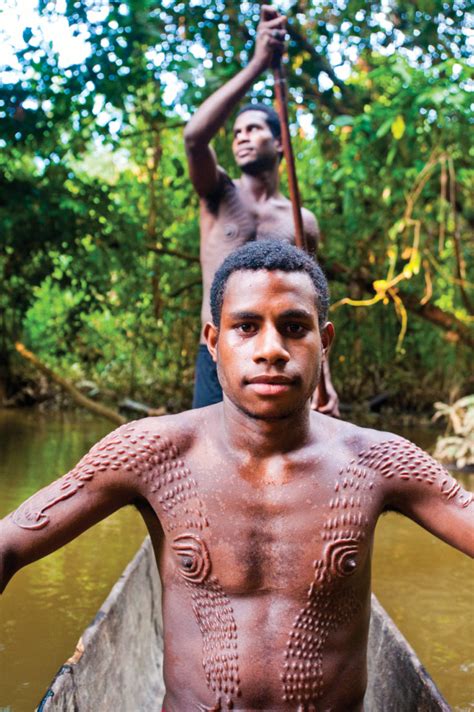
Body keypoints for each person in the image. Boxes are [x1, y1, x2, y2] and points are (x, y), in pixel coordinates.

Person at [1, 241, 472, 711]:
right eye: (246, 327)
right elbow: (10, 543)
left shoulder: (378, 460)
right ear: (213, 341)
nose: (271, 350)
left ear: (323, 342)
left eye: (294, 328)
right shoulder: (151, 452)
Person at [184, 4, 340, 416]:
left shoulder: (300, 221)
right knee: (213, 465)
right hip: (220, 353)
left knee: (283, 467)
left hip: (284, 357)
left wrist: (324, 382)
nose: (242, 138)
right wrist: (257, 64)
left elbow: (314, 303)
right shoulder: (217, 194)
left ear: (281, 143)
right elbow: (195, 138)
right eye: (236, 132)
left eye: (253, 129)